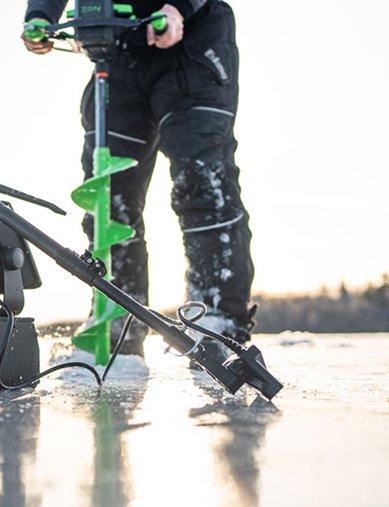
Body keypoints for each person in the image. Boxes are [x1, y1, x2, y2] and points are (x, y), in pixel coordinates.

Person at [23, 0, 255, 360]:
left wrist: (179, 7)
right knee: (109, 195)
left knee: (201, 182)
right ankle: (119, 319)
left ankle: (217, 318)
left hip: (191, 46)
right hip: (119, 53)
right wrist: (40, 15)